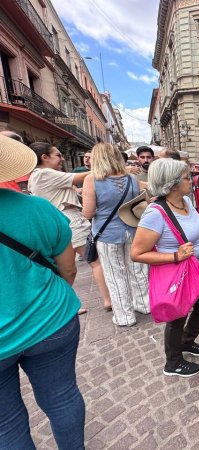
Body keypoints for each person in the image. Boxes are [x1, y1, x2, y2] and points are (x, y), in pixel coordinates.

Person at [0, 135, 85, 448]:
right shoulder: (36, 208)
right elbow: (68, 267)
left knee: (5, 426)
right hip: (51, 320)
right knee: (62, 399)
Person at [131, 159, 199, 377]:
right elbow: (137, 253)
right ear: (172, 183)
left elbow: (196, 228)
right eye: (187, 177)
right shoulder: (155, 213)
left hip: (194, 269)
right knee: (177, 315)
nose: (192, 180)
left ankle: (186, 342)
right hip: (175, 271)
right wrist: (175, 255)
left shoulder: (186, 202)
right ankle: (173, 362)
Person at [28, 142, 111, 313]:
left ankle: (67, 305)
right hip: (70, 220)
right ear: (44, 157)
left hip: (58, 222)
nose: (62, 158)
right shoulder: (44, 173)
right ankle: (108, 299)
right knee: (95, 261)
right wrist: (114, 168)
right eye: (58, 155)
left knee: (67, 268)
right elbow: (86, 176)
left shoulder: (38, 175)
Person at [82, 143, 150, 326]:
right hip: (133, 230)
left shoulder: (92, 179)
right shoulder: (132, 179)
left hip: (107, 234)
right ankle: (144, 304)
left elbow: (88, 213)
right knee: (138, 270)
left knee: (115, 274)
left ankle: (125, 316)